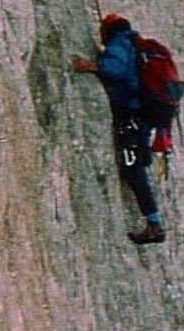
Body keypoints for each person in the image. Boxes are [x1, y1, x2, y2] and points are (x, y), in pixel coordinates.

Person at [71, 13, 166, 244]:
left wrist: (92, 66)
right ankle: (153, 219)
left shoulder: (119, 43)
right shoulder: (135, 45)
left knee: (132, 168)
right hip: (144, 114)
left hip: (131, 113)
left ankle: (154, 224)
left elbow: (115, 69)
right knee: (140, 161)